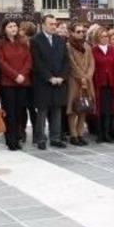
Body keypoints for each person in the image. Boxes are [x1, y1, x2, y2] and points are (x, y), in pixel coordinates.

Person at [30, 15, 69, 150]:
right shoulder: (35, 41)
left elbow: (65, 61)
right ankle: (40, 138)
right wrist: (49, 77)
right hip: (43, 82)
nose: (54, 26)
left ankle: (55, 138)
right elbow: (37, 62)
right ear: (43, 25)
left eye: (55, 24)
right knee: (42, 111)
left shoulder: (60, 40)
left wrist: (62, 77)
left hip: (59, 81)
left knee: (57, 109)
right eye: (51, 24)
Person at [0, 20, 32, 151]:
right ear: (4, 29)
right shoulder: (0, 44)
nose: (13, 28)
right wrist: (15, 75)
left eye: (15, 26)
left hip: (22, 82)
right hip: (8, 83)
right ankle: (10, 140)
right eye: (10, 26)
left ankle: (17, 137)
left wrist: (22, 74)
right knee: (9, 112)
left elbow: (29, 60)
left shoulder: (22, 43)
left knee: (19, 112)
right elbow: (1, 63)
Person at [91, 28, 114, 142]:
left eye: (105, 36)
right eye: (102, 36)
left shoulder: (113, 50)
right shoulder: (93, 51)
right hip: (99, 84)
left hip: (111, 84)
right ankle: (100, 134)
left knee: (110, 110)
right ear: (97, 38)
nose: (104, 38)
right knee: (99, 110)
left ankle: (107, 133)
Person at [66, 23, 94, 146]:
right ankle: (73, 134)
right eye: (78, 32)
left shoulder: (87, 46)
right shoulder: (68, 46)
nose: (81, 34)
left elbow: (92, 63)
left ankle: (80, 133)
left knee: (84, 107)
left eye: (83, 31)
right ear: (71, 32)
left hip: (87, 81)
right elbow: (71, 64)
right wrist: (81, 76)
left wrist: (87, 76)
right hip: (74, 81)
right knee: (73, 108)